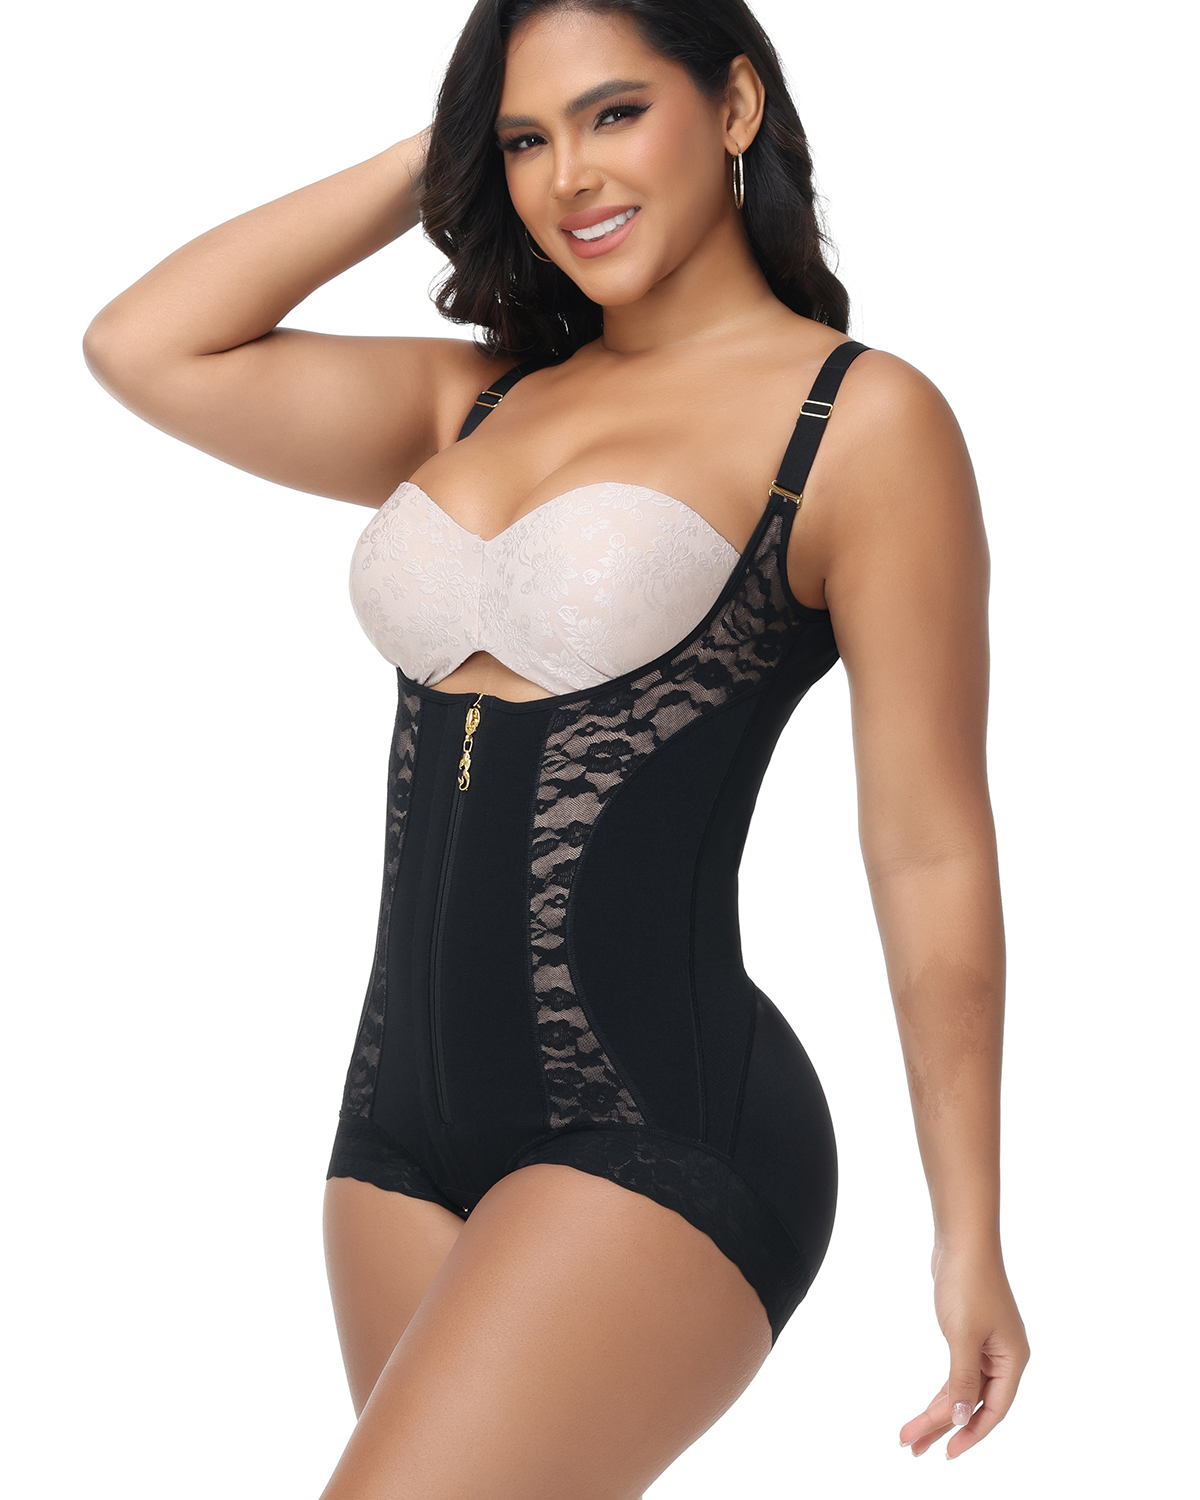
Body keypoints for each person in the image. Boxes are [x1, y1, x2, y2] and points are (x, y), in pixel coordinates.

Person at [82, 0, 1029, 1493]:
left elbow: (928, 847)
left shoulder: (859, 423)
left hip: (658, 1120)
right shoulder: (477, 396)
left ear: (735, 106)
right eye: (527, 138)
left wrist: (967, 1231)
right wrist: (447, 150)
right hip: (393, 1132)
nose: (570, 175)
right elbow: (144, 345)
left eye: (614, 114)